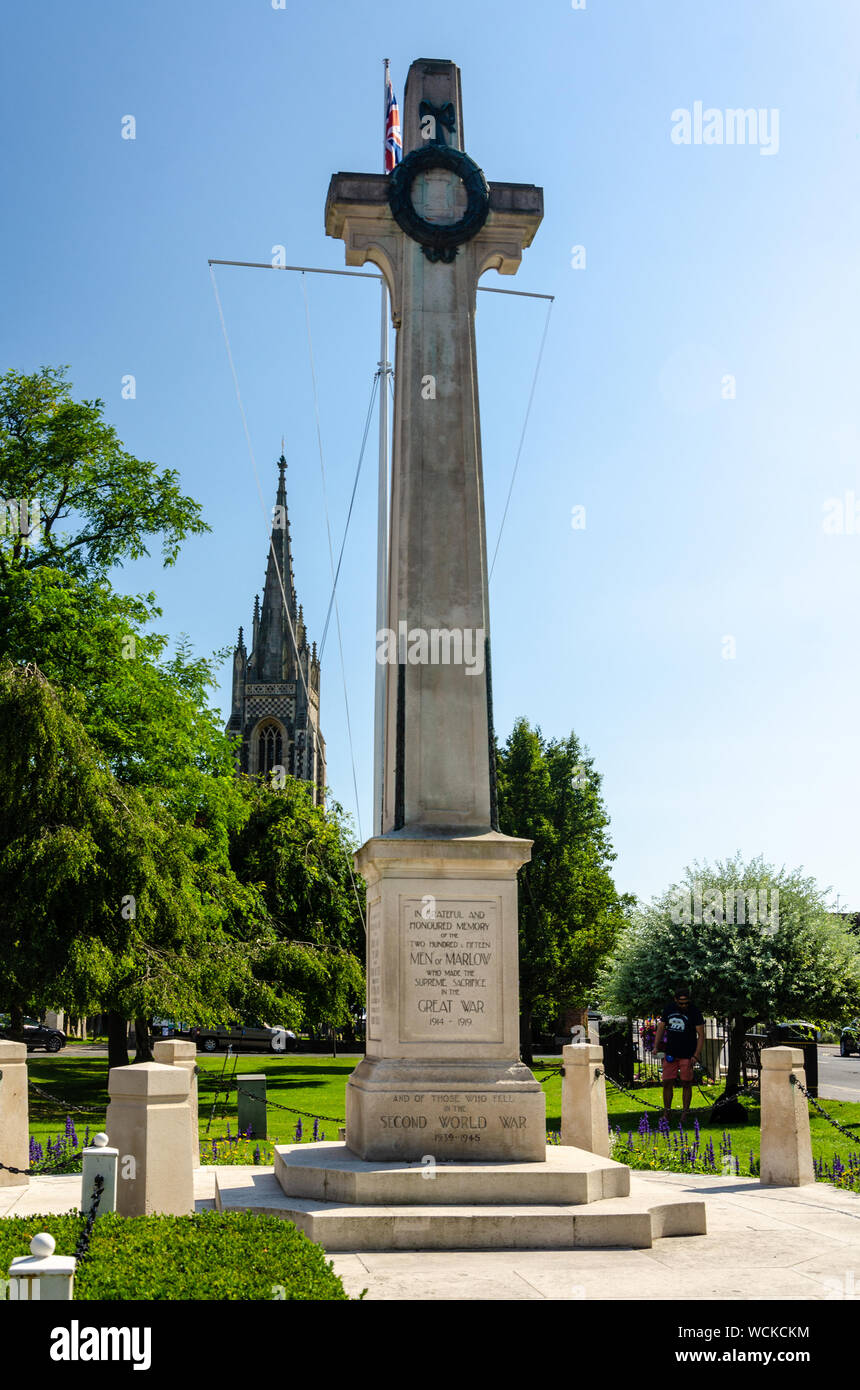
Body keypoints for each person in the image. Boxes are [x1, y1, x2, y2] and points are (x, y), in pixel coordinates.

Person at [653, 986, 705, 1121]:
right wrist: (656, 1046)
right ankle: (667, 1112)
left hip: (687, 1054)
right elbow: (661, 1028)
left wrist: (696, 1054)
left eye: (686, 1002)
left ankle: (685, 1113)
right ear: (675, 1000)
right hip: (671, 1053)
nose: (684, 1005)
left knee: (686, 1082)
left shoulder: (694, 1011)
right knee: (667, 1082)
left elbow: (701, 1034)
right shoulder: (669, 1009)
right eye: (681, 1003)